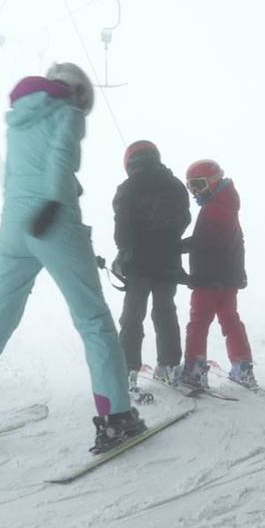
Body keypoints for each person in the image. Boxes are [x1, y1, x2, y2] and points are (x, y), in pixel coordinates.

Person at [0, 62, 145, 457]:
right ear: (77, 93)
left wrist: (49, 199)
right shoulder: (68, 113)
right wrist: (57, 201)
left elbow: (21, 171)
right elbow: (58, 158)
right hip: (53, 223)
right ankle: (116, 419)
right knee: (93, 320)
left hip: (13, 228)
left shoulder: (18, 118)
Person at [112, 140, 191, 389]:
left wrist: (125, 252)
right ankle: (168, 366)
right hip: (168, 261)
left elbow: (122, 231)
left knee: (132, 315)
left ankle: (127, 369)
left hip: (137, 263)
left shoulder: (127, 188)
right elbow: (183, 219)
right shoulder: (176, 185)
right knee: (165, 312)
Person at [177, 159, 257, 390]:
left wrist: (179, 247)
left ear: (213, 182)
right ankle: (243, 366)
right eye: (190, 186)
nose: (195, 192)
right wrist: (238, 275)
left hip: (209, 280)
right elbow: (236, 243)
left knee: (199, 322)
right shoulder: (226, 203)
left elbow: (206, 242)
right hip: (228, 279)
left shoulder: (214, 208)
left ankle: (194, 371)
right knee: (230, 319)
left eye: (199, 185)